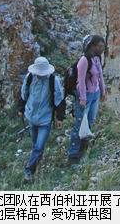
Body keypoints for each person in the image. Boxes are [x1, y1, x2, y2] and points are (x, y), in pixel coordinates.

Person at [18, 56, 65, 182]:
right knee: (36, 145)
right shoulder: (29, 78)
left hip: (45, 119)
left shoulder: (53, 81)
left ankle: (28, 172)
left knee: (38, 146)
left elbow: (59, 99)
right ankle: (38, 161)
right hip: (31, 117)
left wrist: (59, 118)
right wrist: (21, 109)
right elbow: (24, 94)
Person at [68, 34, 107, 163]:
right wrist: (83, 99)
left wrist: (103, 91)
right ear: (93, 46)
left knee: (90, 121)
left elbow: (100, 75)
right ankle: (73, 154)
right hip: (85, 96)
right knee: (79, 124)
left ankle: (83, 148)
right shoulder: (84, 60)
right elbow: (81, 81)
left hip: (95, 94)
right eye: (100, 46)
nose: (103, 48)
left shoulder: (97, 58)